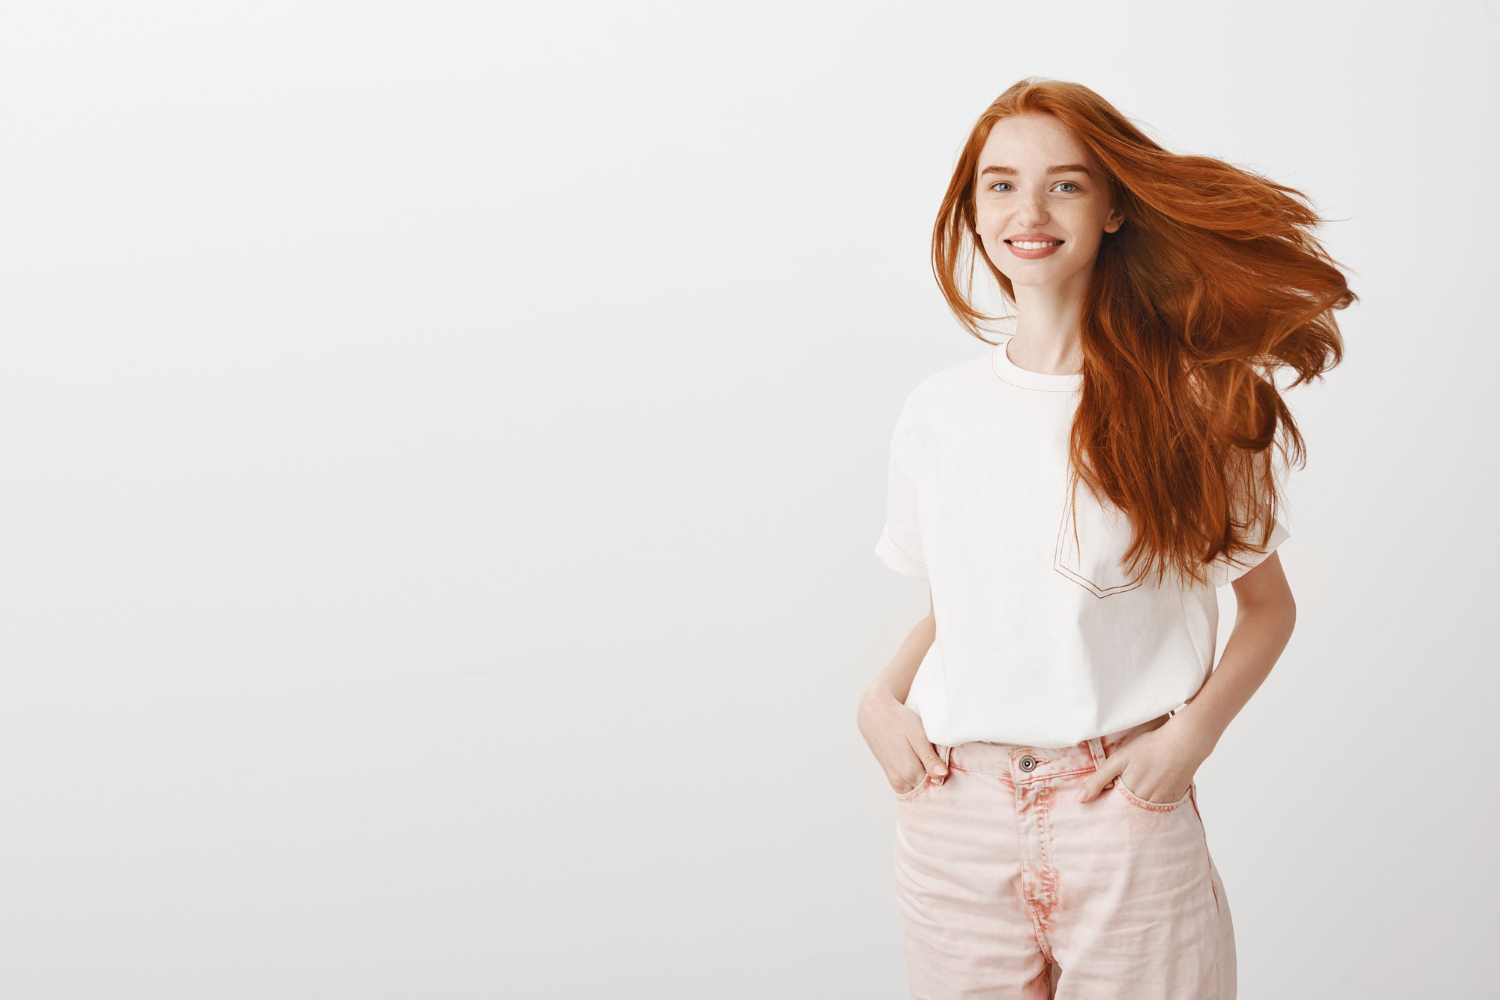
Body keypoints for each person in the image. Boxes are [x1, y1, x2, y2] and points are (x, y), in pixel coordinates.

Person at [856, 78, 1353, 1000]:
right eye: (999, 184)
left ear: (1116, 205)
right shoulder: (938, 411)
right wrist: (877, 702)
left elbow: (1267, 608)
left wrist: (1186, 745)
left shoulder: (1196, 400)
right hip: (950, 814)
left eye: (1067, 185)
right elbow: (962, 606)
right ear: (972, 207)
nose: (1029, 211)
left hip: (1116, 809)